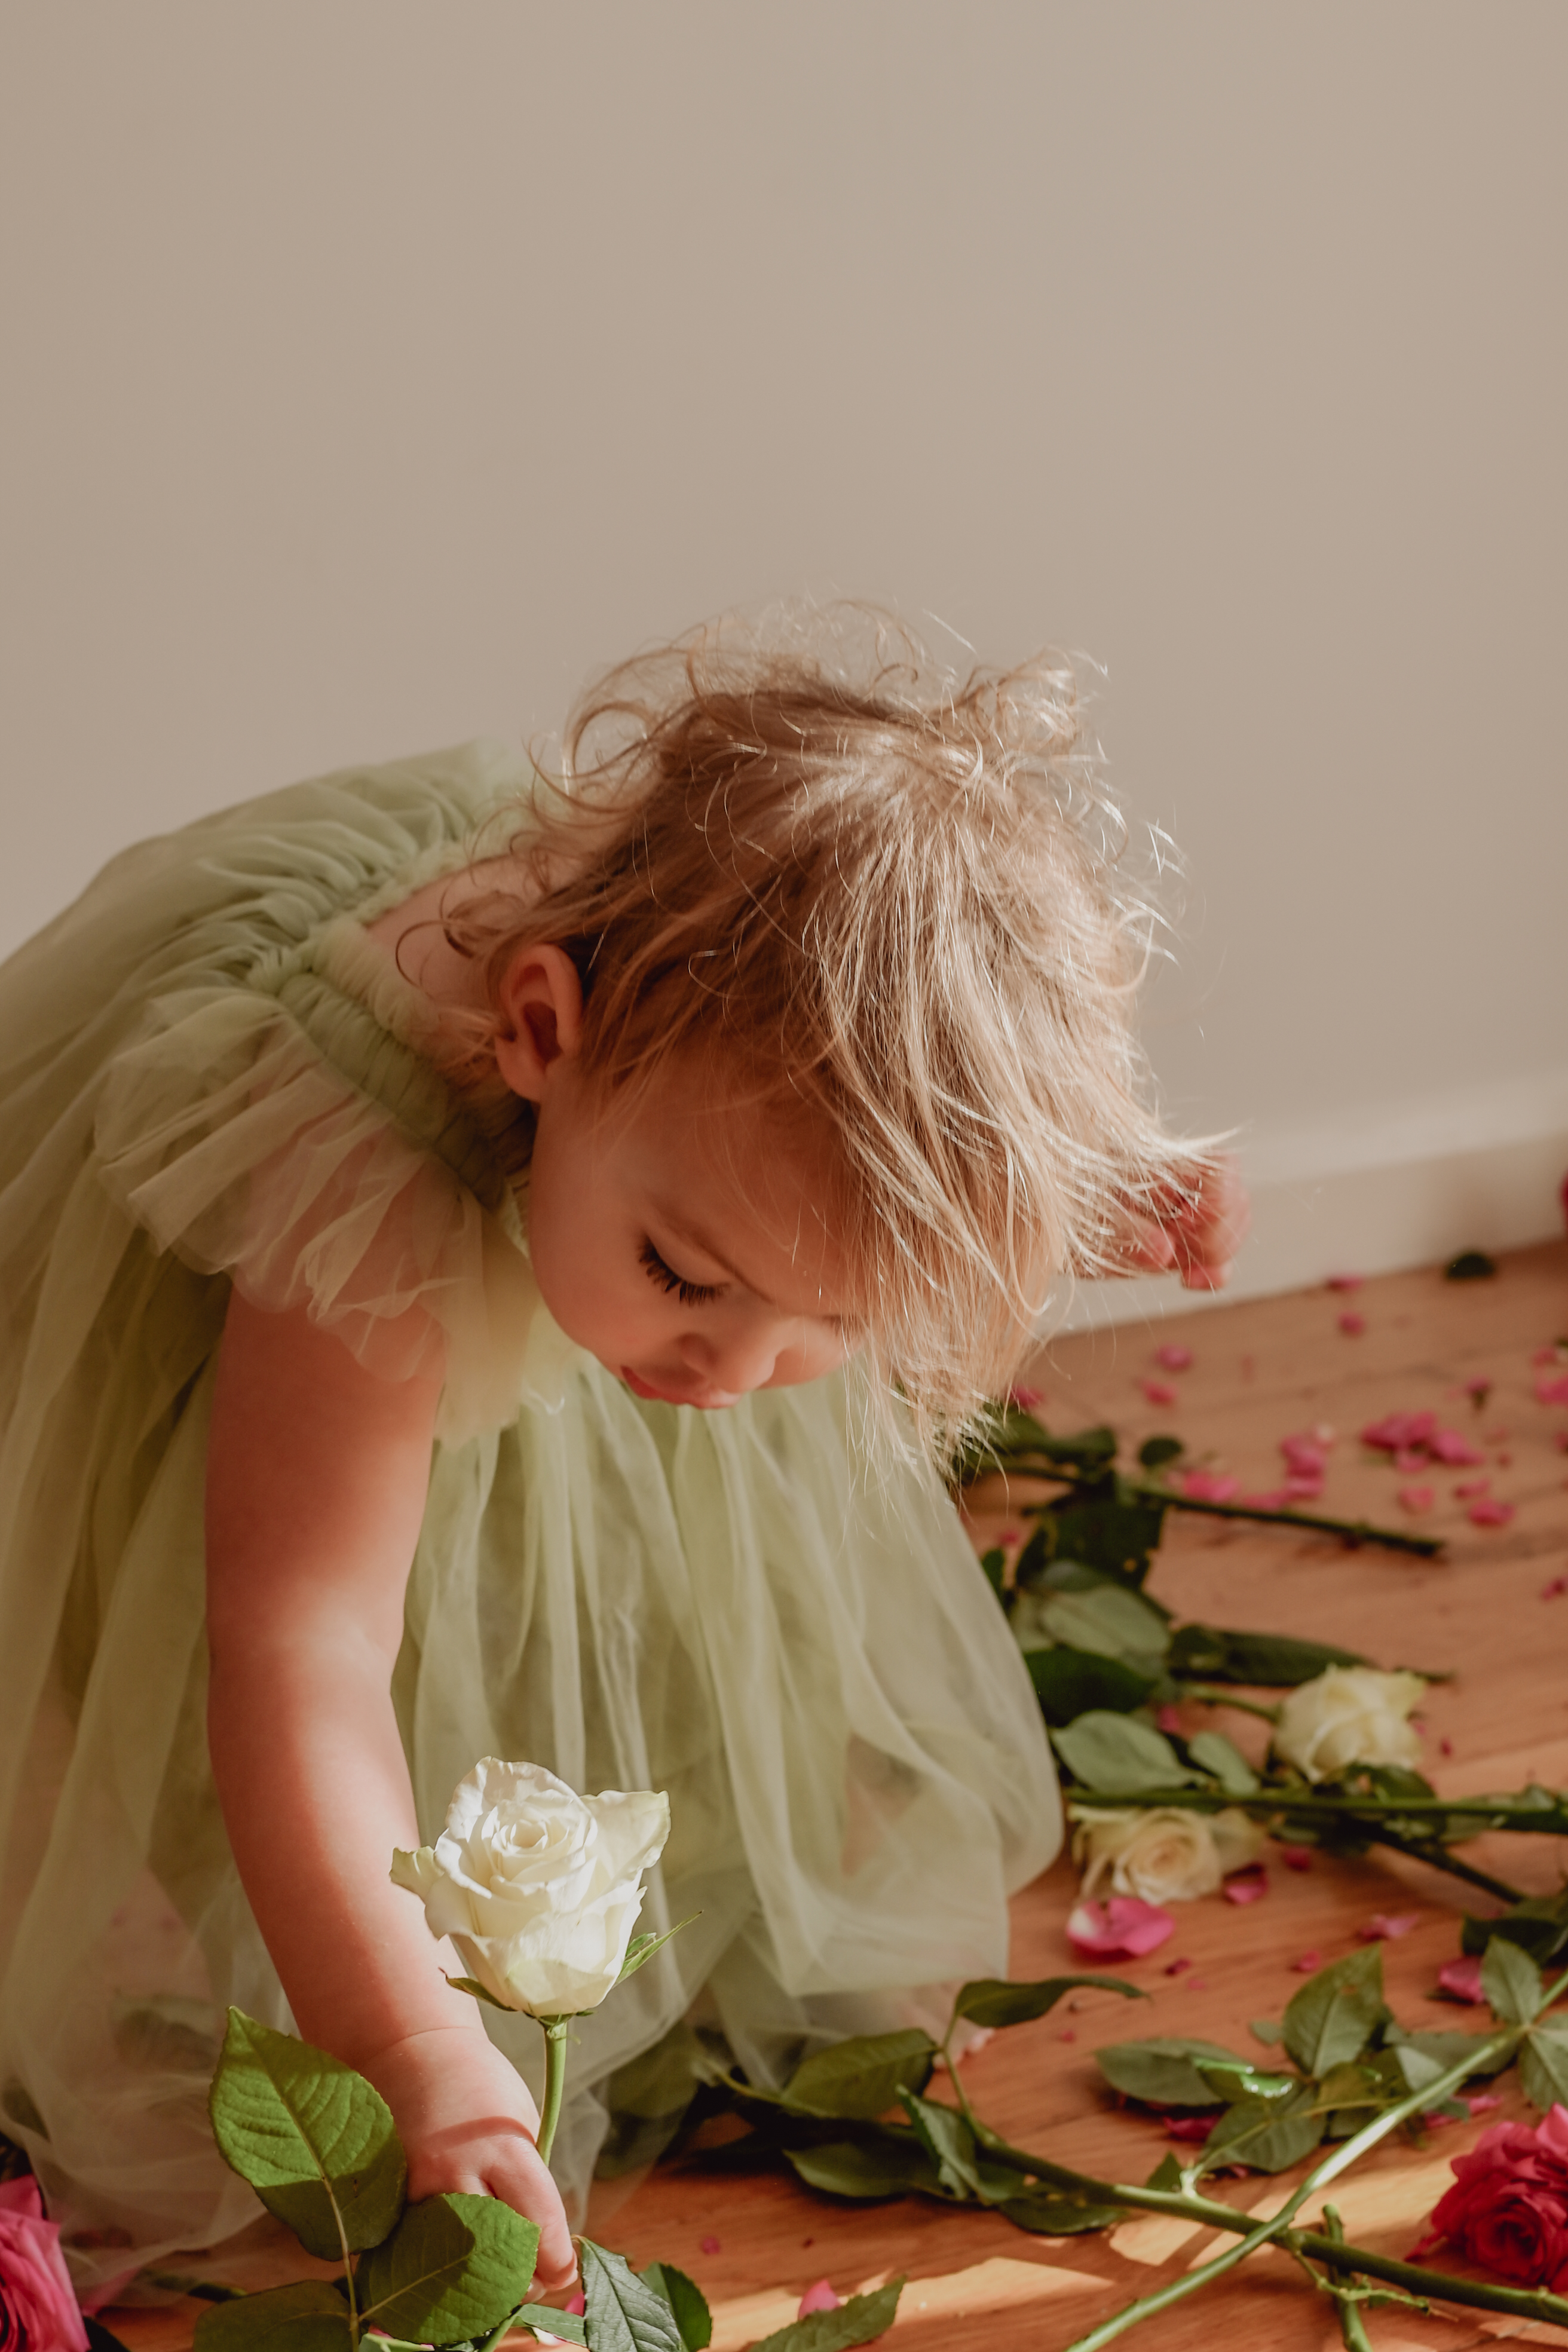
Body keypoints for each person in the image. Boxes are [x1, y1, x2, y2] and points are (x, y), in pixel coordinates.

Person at [0, 612, 1244, 2296]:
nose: (740, 1373)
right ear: (542, 1031)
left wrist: (1069, 1189)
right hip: (298, 1270)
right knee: (240, 1604)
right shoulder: (356, 1173)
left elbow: (831, 1184)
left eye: (837, 1316)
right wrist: (415, 2050)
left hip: (617, 1159)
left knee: (652, 1456)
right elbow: (301, 1649)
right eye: (689, 1276)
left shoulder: (713, 1178)